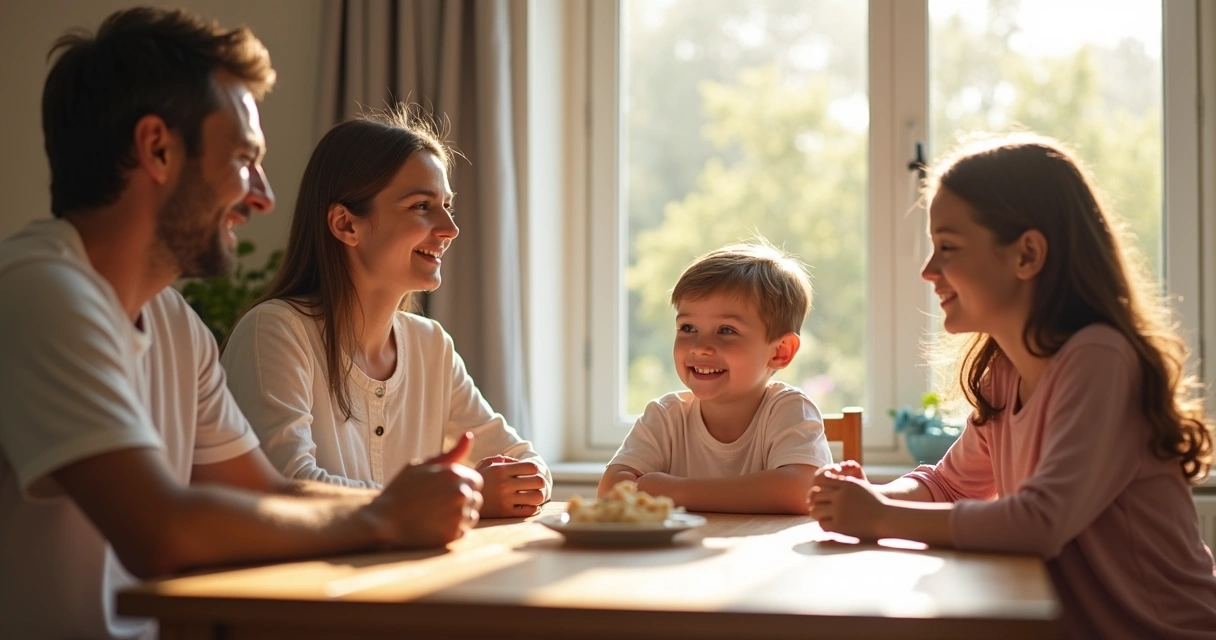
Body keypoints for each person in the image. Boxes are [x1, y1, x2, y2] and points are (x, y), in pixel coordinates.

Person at [0, 9, 483, 640]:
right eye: (243, 159)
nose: (262, 197)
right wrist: (386, 518)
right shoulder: (40, 292)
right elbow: (160, 531)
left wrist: (407, 504)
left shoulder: (177, 324)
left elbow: (267, 493)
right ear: (157, 149)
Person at [809, 133, 1216, 638]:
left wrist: (878, 517)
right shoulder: (1003, 372)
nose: (928, 270)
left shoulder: (1099, 359)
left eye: (948, 248)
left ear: (1026, 255)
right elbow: (949, 484)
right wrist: (870, 496)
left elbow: (1038, 523)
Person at [221, 110, 551, 518]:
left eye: (446, 205)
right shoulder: (274, 331)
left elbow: (526, 462)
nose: (450, 228)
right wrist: (466, 496)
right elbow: (288, 486)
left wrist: (515, 481)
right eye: (421, 206)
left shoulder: (431, 345)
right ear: (346, 225)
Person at [598, 241, 832, 513]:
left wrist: (676, 492)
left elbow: (802, 490)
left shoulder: (790, 409)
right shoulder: (665, 416)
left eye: (726, 330)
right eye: (688, 327)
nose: (699, 347)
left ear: (780, 352)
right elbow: (611, 490)